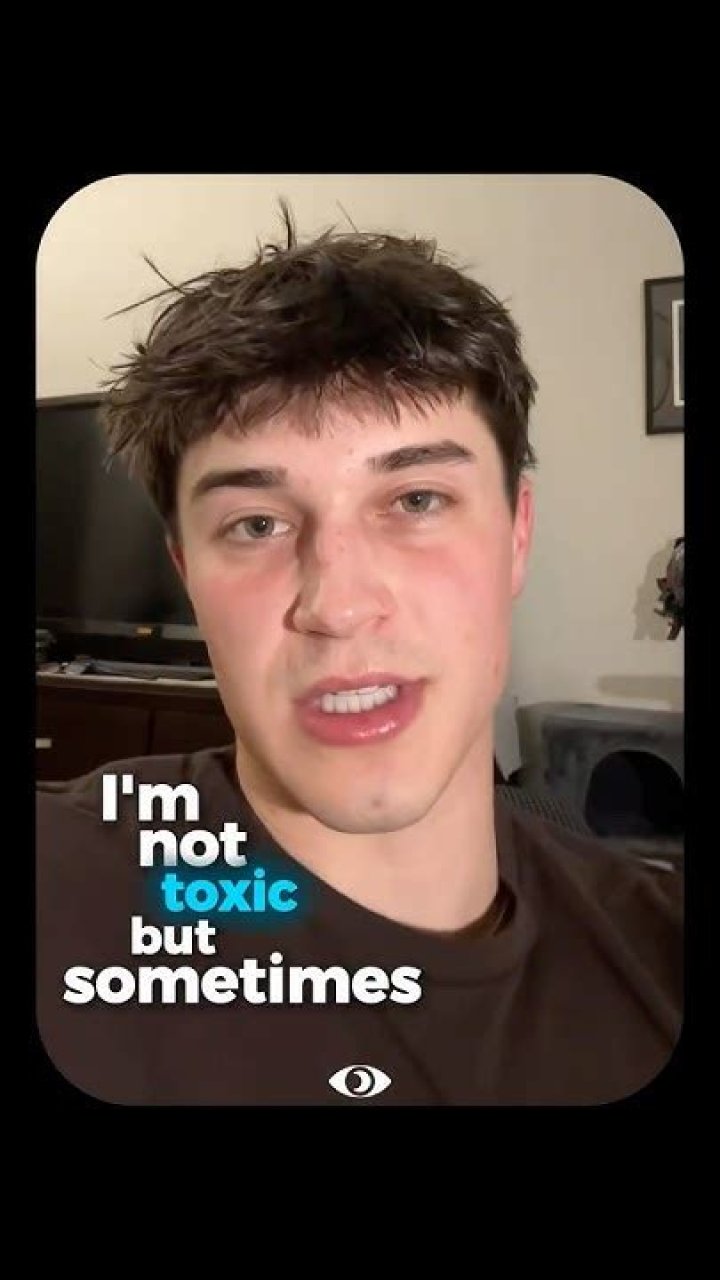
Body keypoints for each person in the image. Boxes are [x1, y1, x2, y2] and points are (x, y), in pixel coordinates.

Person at [36, 206, 683, 1106]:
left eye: (416, 500)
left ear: (517, 536)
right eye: (255, 524)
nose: (337, 606)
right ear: (187, 572)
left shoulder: (660, 956)